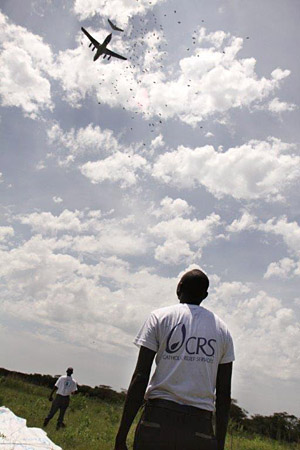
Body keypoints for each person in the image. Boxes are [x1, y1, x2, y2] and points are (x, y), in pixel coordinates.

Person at [114, 269, 235, 450]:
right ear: (205, 295)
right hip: (199, 426)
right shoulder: (223, 331)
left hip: (157, 419)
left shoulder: (159, 317)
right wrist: (219, 444)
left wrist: (121, 436)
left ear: (179, 287)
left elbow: (140, 376)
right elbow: (224, 394)